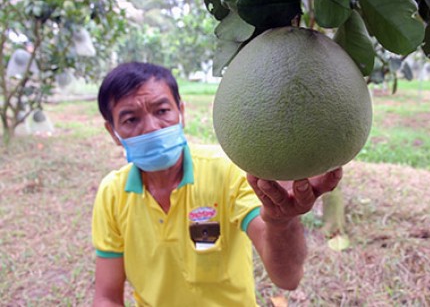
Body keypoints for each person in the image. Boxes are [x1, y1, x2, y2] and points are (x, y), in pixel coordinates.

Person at [92, 62, 342, 306]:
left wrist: (280, 221)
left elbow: (288, 279)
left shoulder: (226, 171)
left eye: (162, 111)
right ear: (112, 132)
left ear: (181, 112)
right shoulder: (112, 193)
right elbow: (107, 296)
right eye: (131, 120)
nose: (151, 128)